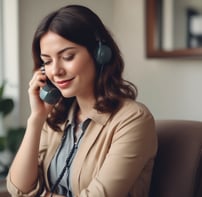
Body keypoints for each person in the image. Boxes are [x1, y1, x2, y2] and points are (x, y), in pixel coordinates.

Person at [6, 4, 157, 197]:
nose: (56, 71)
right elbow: (18, 189)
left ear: (100, 54)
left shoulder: (133, 119)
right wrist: (36, 119)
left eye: (67, 56)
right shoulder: (55, 116)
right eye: (47, 61)